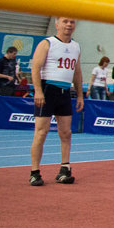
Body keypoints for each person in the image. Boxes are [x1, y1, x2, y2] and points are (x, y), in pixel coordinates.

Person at [29, 16, 84, 187]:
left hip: (64, 92)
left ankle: (64, 168)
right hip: (47, 90)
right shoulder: (47, 43)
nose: (69, 24)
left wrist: (80, 95)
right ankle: (34, 172)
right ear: (57, 24)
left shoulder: (76, 46)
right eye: (65, 21)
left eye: (72, 22)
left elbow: (77, 72)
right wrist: (38, 90)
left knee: (66, 132)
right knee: (41, 132)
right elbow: (35, 68)